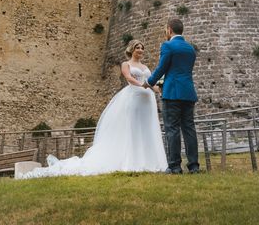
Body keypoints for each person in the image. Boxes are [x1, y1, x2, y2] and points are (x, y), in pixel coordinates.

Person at [21, 39, 167, 178]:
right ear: (131, 50)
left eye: (142, 48)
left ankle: (149, 160)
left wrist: (158, 90)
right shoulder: (126, 64)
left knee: (147, 128)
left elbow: (151, 82)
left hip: (147, 101)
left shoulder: (146, 67)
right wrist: (142, 85)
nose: (141, 50)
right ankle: (133, 161)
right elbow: (129, 78)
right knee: (134, 128)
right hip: (134, 98)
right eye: (138, 48)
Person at [143, 18, 199, 174]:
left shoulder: (167, 46)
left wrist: (149, 81)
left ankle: (174, 166)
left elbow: (162, 68)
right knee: (189, 129)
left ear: (169, 30)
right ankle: (194, 166)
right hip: (188, 92)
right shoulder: (190, 49)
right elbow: (180, 70)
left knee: (172, 129)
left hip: (172, 93)